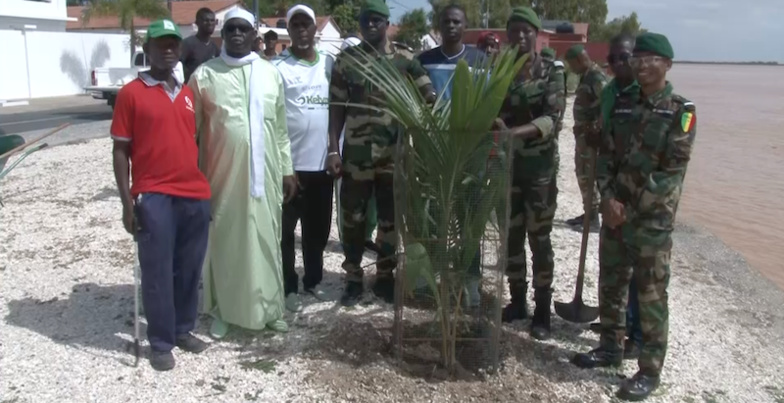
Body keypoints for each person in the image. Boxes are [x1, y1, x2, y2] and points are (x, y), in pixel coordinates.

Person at [571, 33, 696, 401]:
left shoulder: (681, 111)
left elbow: (671, 172)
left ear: (667, 64)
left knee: (651, 295)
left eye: (651, 59)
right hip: (615, 216)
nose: (642, 66)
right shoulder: (623, 105)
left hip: (651, 222)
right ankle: (610, 348)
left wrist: (628, 207)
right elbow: (606, 156)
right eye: (638, 59)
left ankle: (649, 370)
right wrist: (607, 199)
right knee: (611, 285)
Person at [189, 8, 297, 339]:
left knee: (267, 240)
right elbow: (190, 132)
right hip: (222, 177)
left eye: (243, 29)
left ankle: (271, 309)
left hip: (267, 175)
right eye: (231, 29)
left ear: (254, 35)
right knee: (227, 241)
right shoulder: (205, 76)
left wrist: (287, 169)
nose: (237, 34)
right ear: (223, 35)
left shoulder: (270, 74)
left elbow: (280, 129)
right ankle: (224, 310)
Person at [111, 19, 212, 371]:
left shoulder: (186, 93)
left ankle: (183, 328)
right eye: (160, 44)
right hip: (154, 195)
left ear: (180, 49)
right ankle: (161, 341)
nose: (168, 49)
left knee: (189, 268)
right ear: (147, 50)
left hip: (193, 193)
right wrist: (127, 203)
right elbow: (120, 151)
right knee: (157, 271)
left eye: (173, 43)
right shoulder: (131, 93)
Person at [327, 0, 436, 307]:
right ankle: (353, 277)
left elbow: (429, 95)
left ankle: (385, 276)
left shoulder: (404, 58)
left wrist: (421, 117)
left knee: (390, 219)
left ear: (387, 24)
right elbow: (335, 108)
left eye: (377, 20)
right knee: (353, 219)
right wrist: (333, 150)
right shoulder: (347, 61)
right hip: (356, 157)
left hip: (393, 156)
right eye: (366, 20)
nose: (371, 25)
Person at [492, 7, 565, 340]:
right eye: (514, 31)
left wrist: (512, 133)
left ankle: (542, 310)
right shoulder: (502, 69)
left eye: (527, 31)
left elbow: (552, 118)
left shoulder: (551, 71)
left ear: (536, 34)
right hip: (508, 169)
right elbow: (493, 109)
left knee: (539, 239)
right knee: (511, 237)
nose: (520, 36)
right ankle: (517, 301)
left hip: (539, 172)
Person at [416, 4, 485, 307]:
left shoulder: (479, 60)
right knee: (431, 217)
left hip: (468, 155)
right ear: (439, 26)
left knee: (467, 221)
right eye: (446, 21)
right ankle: (428, 280)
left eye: (457, 21)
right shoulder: (424, 61)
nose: (452, 26)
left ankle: (470, 283)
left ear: (465, 26)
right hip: (432, 154)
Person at [272, 5, 335, 313]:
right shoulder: (277, 67)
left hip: (321, 165)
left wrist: (335, 151)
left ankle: (313, 280)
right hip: (290, 168)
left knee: (317, 230)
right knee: (285, 233)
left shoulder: (330, 64)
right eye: (294, 24)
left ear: (314, 29)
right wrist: (284, 166)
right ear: (289, 30)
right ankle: (288, 286)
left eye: (306, 24)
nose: (300, 29)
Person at [587, 33, 643, 360]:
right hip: (610, 186)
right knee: (613, 266)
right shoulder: (609, 92)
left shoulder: (643, 94)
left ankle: (636, 333)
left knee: (636, 271)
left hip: (636, 195)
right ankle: (614, 328)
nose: (619, 64)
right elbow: (606, 136)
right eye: (613, 59)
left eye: (625, 57)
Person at [335, 34, 380, 254]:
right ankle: (346, 238)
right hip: (346, 146)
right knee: (347, 199)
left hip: (372, 149)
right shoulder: (340, 75)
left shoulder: (375, 77)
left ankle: (367, 235)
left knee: (372, 200)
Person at [564, 44, 607, 229]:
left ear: (580, 60)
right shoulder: (587, 76)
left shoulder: (596, 77)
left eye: (572, 64)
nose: (571, 68)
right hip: (583, 135)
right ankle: (589, 212)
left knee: (587, 174)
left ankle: (593, 218)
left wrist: (596, 128)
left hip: (591, 137)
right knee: (583, 172)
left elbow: (607, 104)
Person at [180, 7, 220, 84]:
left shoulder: (215, 48)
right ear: (197, 23)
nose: (210, 23)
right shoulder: (187, 44)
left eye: (212, 20)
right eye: (206, 20)